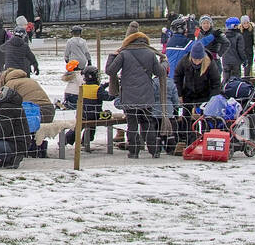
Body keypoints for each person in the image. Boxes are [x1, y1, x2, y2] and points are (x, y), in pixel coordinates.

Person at [104, 27, 164, 158]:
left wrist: (112, 56)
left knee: (132, 125)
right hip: (146, 96)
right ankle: (154, 151)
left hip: (129, 96)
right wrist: (163, 63)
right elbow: (159, 72)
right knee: (148, 123)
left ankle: (133, 151)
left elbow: (110, 71)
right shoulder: (150, 53)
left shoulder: (124, 54)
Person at [64, 66, 113, 152]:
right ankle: (86, 141)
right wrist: (116, 93)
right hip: (94, 115)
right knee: (93, 125)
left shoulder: (83, 87)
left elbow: (95, 88)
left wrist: (105, 84)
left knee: (78, 128)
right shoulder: (98, 89)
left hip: (82, 114)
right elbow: (108, 97)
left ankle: (66, 139)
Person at [0, 86, 30, 167]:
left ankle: (13, 157)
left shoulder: (5, 108)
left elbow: (4, 132)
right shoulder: (6, 104)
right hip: (18, 141)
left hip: (17, 143)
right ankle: (7, 159)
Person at [174, 40, 221, 108]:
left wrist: (211, 100)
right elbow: (177, 77)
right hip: (188, 95)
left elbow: (216, 83)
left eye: (199, 60)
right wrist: (179, 94)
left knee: (203, 117)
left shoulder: (210, 64)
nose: (197, 62)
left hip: (205, 96)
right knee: (187, 117)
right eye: (195, 59)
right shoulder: (184, 61)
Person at [220, 17, 245, 81]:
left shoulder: (223, 36)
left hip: (225, 61)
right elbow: (240, 50)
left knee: (226, 79)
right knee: (236, 80)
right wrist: (244, 59)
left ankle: (224, 90)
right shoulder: (238, 36)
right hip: (236, 62)